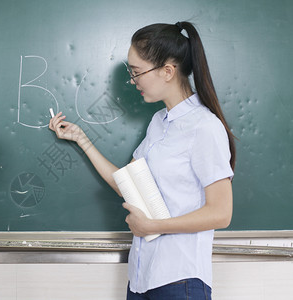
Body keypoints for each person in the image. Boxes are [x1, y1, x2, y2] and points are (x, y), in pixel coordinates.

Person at [49, 21, 235, 299]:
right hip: (142, 277)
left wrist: (154, 226)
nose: (132, 80)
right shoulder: (159, 123)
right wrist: (81, 139)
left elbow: (221, 213)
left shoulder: (204, 127)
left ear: (168, 71)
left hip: (180, 279)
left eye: (137, 72)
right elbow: (128, 185)